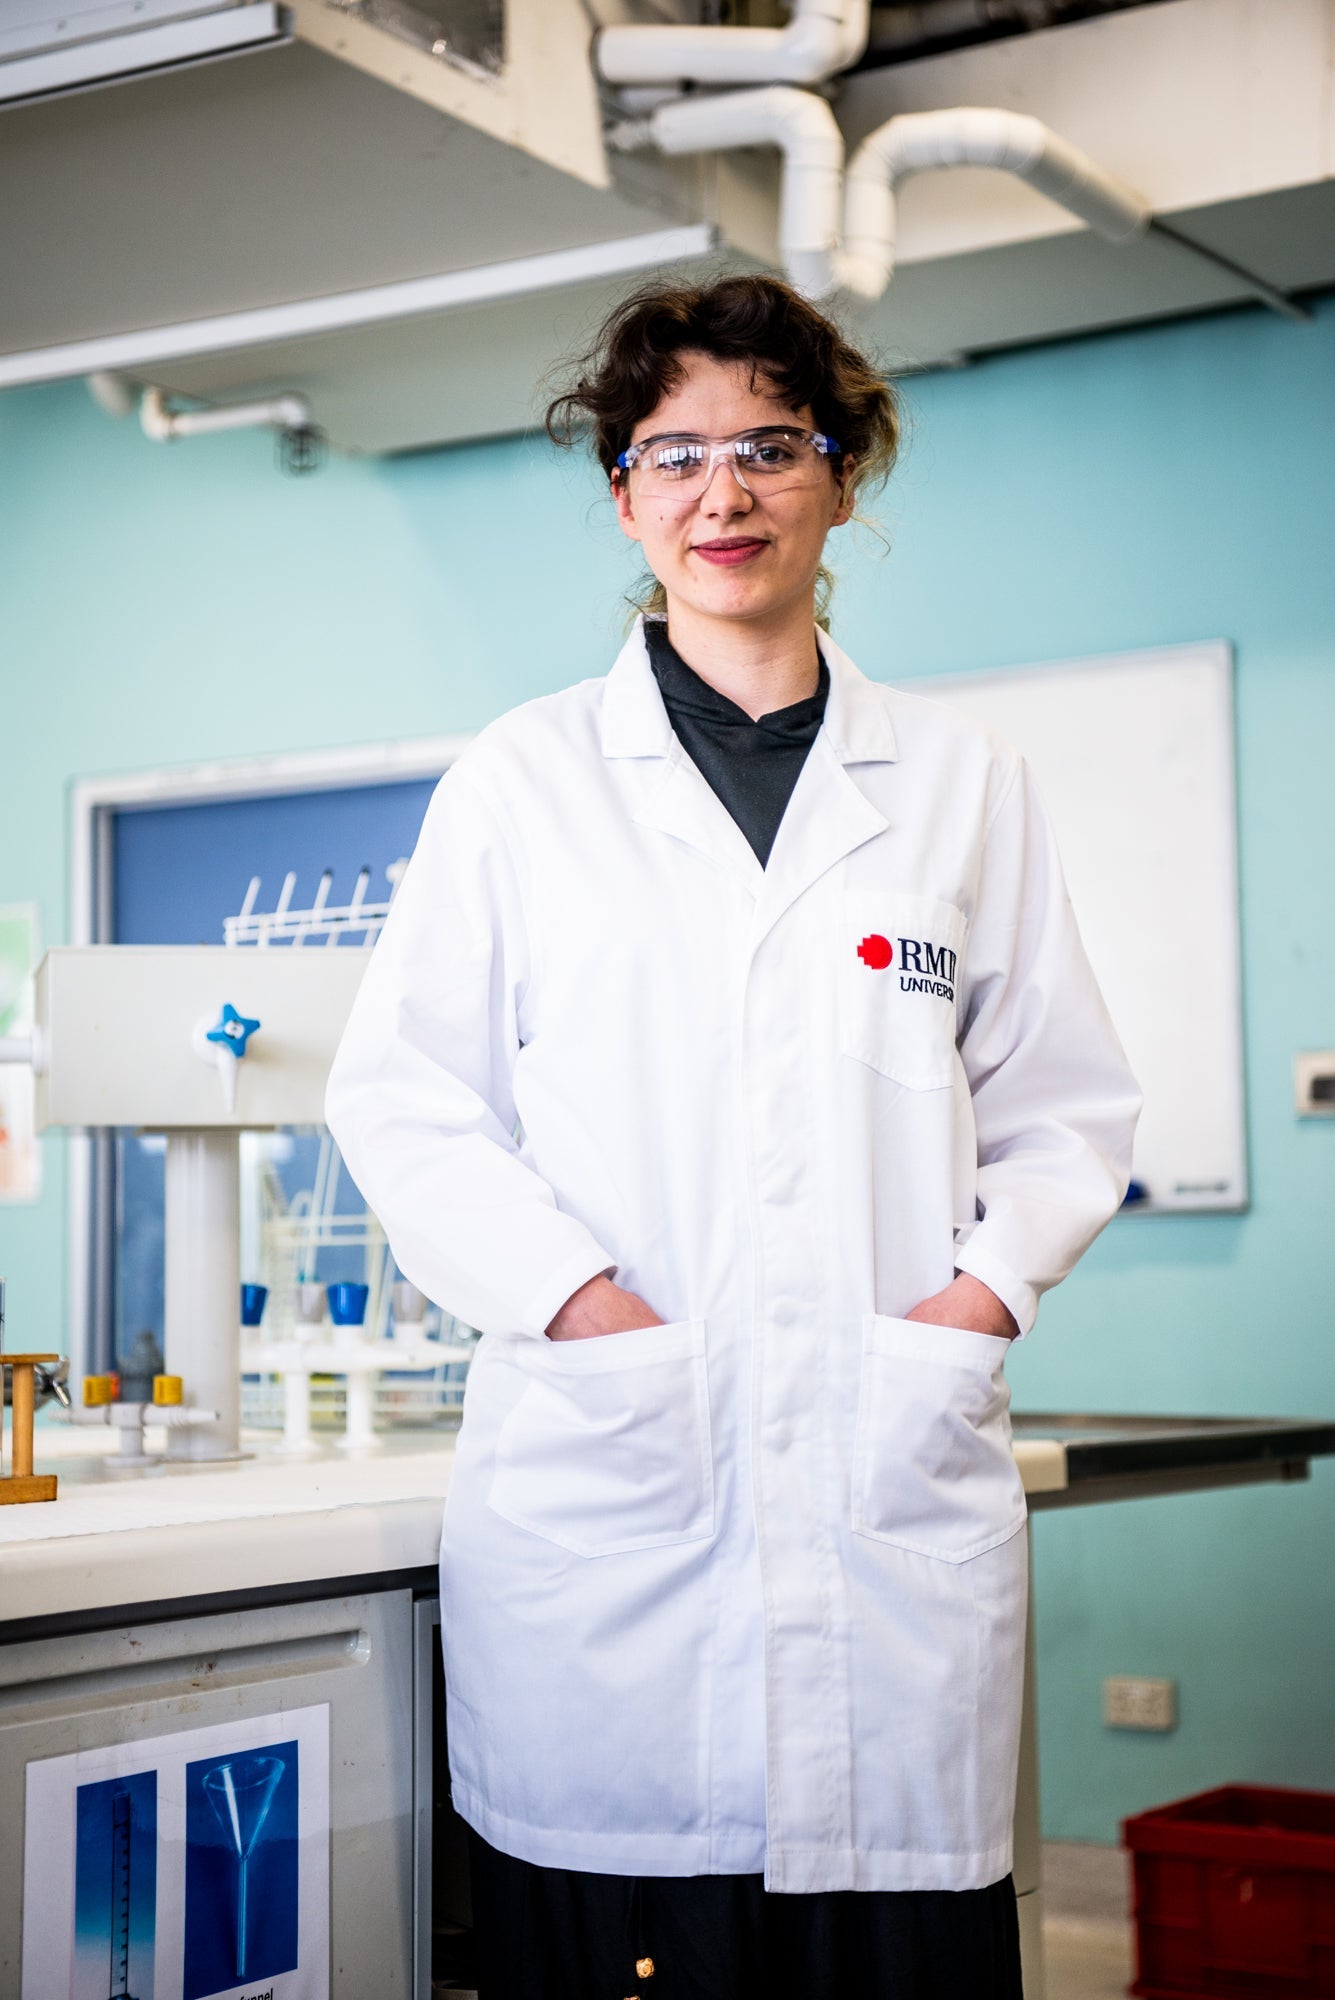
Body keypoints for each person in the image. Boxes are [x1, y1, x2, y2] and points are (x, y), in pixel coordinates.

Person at [325, 273, 1141, 1999]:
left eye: (772, 445)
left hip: (885, 1496)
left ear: (843, 476)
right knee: (627, 1925)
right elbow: (406, 1101)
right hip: (616, 1498)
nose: (726, 491)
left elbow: (1066, 1106)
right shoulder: (525, 782)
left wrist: (976, 1305)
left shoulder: (963, 783)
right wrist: (581, 1309)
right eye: (675, 453)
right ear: (624, 493)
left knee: (894, 1948)